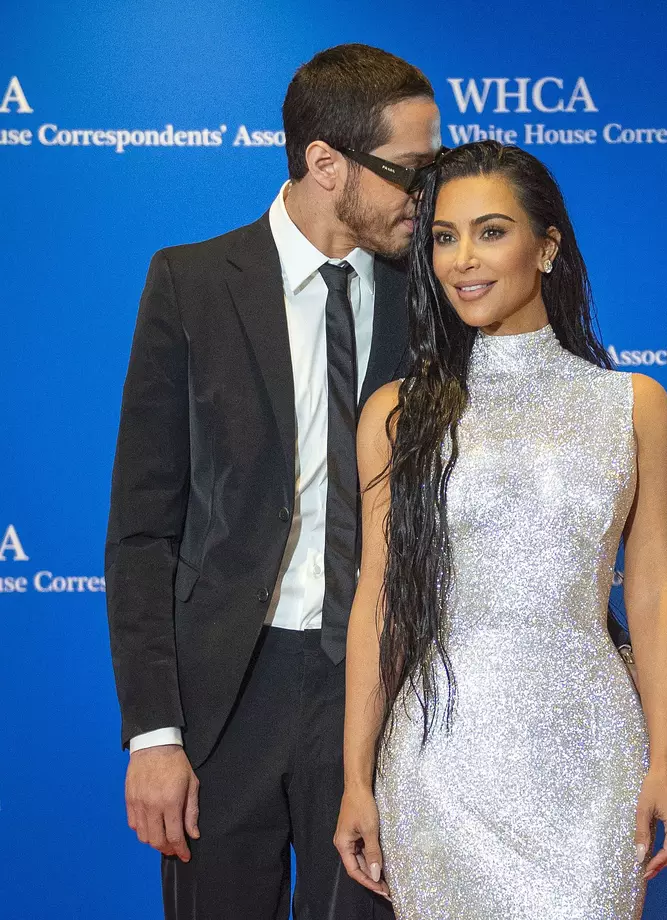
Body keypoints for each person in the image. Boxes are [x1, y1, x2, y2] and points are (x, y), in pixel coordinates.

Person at [105, 43, 441, 920]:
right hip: (224, 700)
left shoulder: (433, 296)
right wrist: (154, 736)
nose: (429, 195)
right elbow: (143, 530)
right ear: (324, 163)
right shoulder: (189, 284)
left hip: (375, 688)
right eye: (412, 171)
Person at [334, 141, 667, 919]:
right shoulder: (397, 415)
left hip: (592, 764)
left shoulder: (634, 405)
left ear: (548, 246)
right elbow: (378, 605)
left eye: (491, 231)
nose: (464, 258)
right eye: (444, 236)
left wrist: (666, 761)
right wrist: (356, 780)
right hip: (438, 764)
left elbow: (657, 591)